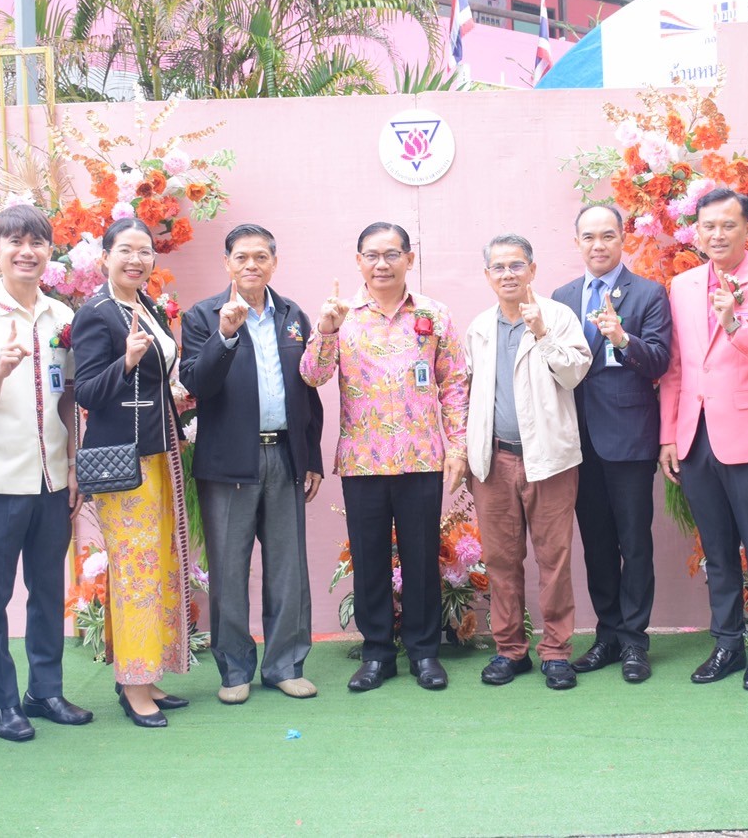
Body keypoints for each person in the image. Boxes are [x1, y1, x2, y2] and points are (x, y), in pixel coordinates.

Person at [300, 222, 469, 693]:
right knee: (369, 558)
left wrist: (458, 447)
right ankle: (376, 654)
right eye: (372, 255)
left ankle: (424, 652)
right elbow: (312, 375)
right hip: (364, 460)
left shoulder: (434, 314)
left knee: (421, 558)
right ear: (358, 261)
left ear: (409, 259)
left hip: (421, 457)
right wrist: (326, 330)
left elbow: (455, 383)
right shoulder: (341, 316)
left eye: (392, 254)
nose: (382, 264)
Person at [0, 205, 92, 741]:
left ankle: (45, 691)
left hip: (53, 480)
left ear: (50, 252)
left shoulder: (60, 316)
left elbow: (68, 397)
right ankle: (3, 702)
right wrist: (1, 369)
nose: (26, 252)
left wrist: (73, 465)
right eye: (15, 242)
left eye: (37, 243)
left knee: (48, 589)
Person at [658, 188, 748, 691]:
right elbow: (676, 367)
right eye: (708, 226)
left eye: (728, 225)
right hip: (694, 436)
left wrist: (735, 325)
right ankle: (726, 644)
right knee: (715, 547)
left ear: (747, 230)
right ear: (696, 231)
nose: (717, 235)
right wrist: (669, 434)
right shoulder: (681, 286)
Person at [180, 224, 324, 705]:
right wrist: (225, 335)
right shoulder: (203, 316)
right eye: (241, 257)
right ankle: (235, 668)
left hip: (285, 455)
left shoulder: (293, 316)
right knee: (228, 572)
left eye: (261, 256)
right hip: (228, 464)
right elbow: (197, 383)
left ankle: (285, 664)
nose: (251, 265)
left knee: (288, 568)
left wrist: (311, 456)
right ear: (227, 263)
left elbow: (308, 390)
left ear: (274, 263)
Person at [71, 218, 192, 728]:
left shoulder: (147, 306)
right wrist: (123, 362)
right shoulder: (96, 313)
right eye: (125, 250)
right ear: (105, 257)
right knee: (135, 571)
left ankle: (147, 674)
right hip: (124, 461)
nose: (136, 260)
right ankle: (134, 686)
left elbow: (159, 378)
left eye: (144, 251)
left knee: (158, 565)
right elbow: (86, 392)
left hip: (159, 453)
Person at [464, 234, 591, 689]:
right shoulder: (479, 327)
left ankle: (556, 652)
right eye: (498, 267)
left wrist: (542, 333)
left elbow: (575, 373)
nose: (508, 274)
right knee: (501, 560)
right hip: (494, 461)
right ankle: (509, 650)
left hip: (549, 460)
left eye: (516, 265)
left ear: (532, 270)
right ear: (487, 276)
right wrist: (465, 454)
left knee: (554, 558)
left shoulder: (557, 316)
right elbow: (468, 393)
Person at [553, 202, 672, 683]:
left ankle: (634, 642)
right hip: (577, 440)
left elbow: (660, 360)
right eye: (589, 237)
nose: (598, 245)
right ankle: (606, 636)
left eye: (607, 235)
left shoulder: (648, 294)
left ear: (623, 239)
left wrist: (623, 339)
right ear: (577, 242)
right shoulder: (562, 297)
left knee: (634, 542)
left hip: (629, 438)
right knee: (596, 543)